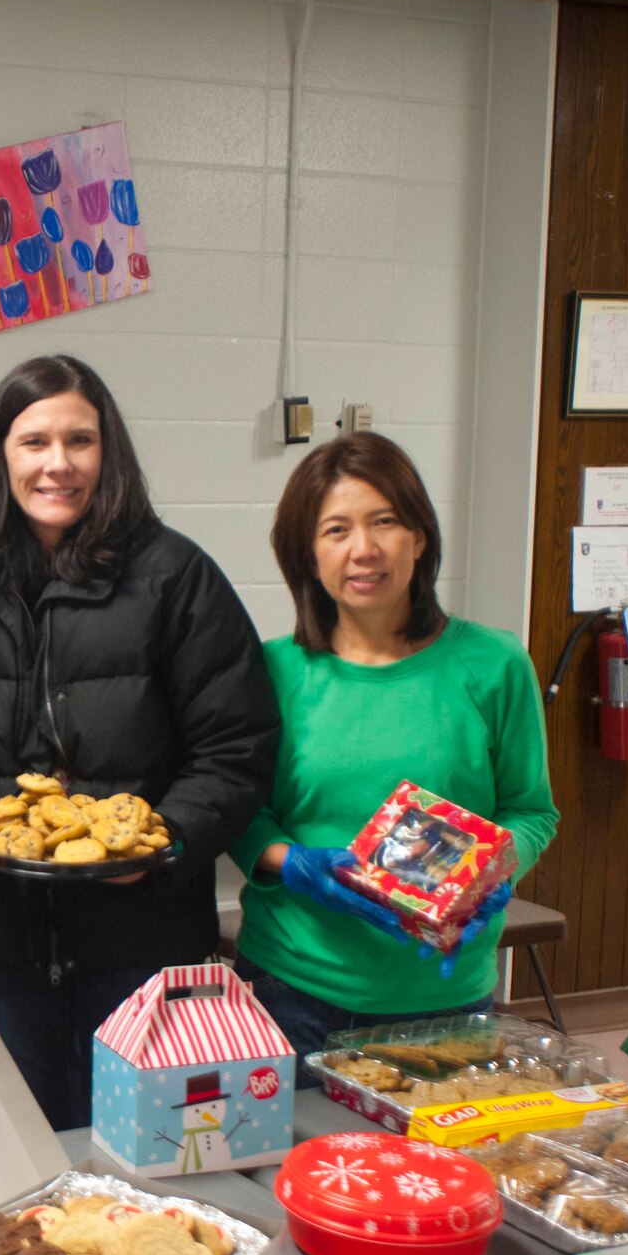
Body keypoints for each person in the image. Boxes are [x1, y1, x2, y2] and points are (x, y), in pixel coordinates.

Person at [0, 353, 279, 1133]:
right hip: (8, 941)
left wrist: (158, 844)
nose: (58, 463)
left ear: (110, 453)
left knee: (144, 1151)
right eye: (34, 441)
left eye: (81, 440)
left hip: (148, 942)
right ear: (0, 454)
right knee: (31, 1154)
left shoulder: (175, 577)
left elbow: (235, 747)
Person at [229, 431, 559, 1081]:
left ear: (420, 536)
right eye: (336, 529)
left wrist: (490, 872)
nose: (364, 549)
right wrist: (295, 864)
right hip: (292, 993)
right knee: (289, 1181)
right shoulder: (272, 670)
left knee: (436, 1183)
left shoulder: (493, 664)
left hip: (446, 1003)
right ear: (306, 553)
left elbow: (531, 809)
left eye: (385, 521)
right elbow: (241, 812)